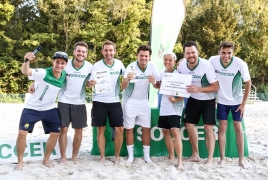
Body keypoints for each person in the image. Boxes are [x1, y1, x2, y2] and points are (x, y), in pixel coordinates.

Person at [29, 42, 92, 164]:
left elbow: (89, 84)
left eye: (83, 51)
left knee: (79, 131)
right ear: (74, 52)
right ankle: (63, 157)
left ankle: (74, 157)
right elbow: (47, 75)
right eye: (78, 51)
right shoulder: (64, 64)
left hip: (80, 102)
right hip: (64, 101)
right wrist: (33, 84)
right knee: (63, 130)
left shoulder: (90, 66)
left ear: (86, 54)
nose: (81, 53)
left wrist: (91, 84)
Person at [14, 51, 68, 171]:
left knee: (55, 133)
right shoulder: (43, 72)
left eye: (62, 63)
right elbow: (26, 71)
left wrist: (34, 83)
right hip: (32, 108)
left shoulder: (64, 74)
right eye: (57, 62)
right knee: (22, 133)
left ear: (66, 65)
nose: (59, 65)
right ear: (53, 62)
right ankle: (20, 163)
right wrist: (26, 61)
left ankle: (46, 159)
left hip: (49, 108)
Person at [209, 41, 251, 168]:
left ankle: (241, 160)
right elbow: (202, 67)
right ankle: (222, 158)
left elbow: (248, 82)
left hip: (236, 102)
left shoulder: (240, 63)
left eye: (229, 53)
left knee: (238, 128)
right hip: (221, 101)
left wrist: (243, 104)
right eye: (223, 53)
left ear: (233, 53)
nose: (226, 56)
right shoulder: (212, 60)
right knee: (222, 128)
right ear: (219, 52)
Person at [177, 41, 219, 165]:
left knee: (208, 128)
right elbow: (177, 81)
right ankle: (195, 154)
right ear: (184, 54)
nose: (191, 55)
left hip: (208, 99)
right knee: (189, 125)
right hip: (193, 99)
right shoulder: (181, 66)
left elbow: (215, 86)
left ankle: (210, 159)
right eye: (188, 53)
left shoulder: (206, 65)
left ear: (198, 53)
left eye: (193, 52)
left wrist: (199, 89)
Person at [88, 40, 125, 163]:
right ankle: (102, 157)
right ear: (102, 51)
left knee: (120, 129)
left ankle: (117, 156)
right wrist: (90, 83)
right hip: (99, 101)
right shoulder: (96, 65)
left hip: (114, 101)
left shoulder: (119, 64)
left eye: (111, 50)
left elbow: (126, 79)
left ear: (114, 51)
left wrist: (129, 78)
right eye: (106, 50)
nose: (108, 52)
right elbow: (88, 84)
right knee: (101, 129)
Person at [121, 44, 159, 163]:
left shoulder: (152, 66)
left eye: (146, 56)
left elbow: (158, 86)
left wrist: (154, 82)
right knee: (129, 129)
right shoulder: (131, 66)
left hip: (143, 102)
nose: (143, 58)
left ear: (149, 57)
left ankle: (146, 156)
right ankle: (131, 156)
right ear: (137, 55)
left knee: (146, 129)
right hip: (130, 102)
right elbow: (123, 86)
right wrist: (127, 78)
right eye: (141, 56)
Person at [157, 52, 184, 170]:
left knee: (175, 131)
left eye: (170, 60)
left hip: (175, 107)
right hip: (164, 106)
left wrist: (176, 99)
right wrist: (156, 83)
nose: (167, 62)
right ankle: (171, 156)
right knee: (166, 132)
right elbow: (158, 86)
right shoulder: (161, 73)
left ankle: (180, 161)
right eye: (166, 59)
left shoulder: (178, 74)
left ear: (174, 61)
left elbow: (184, 93)